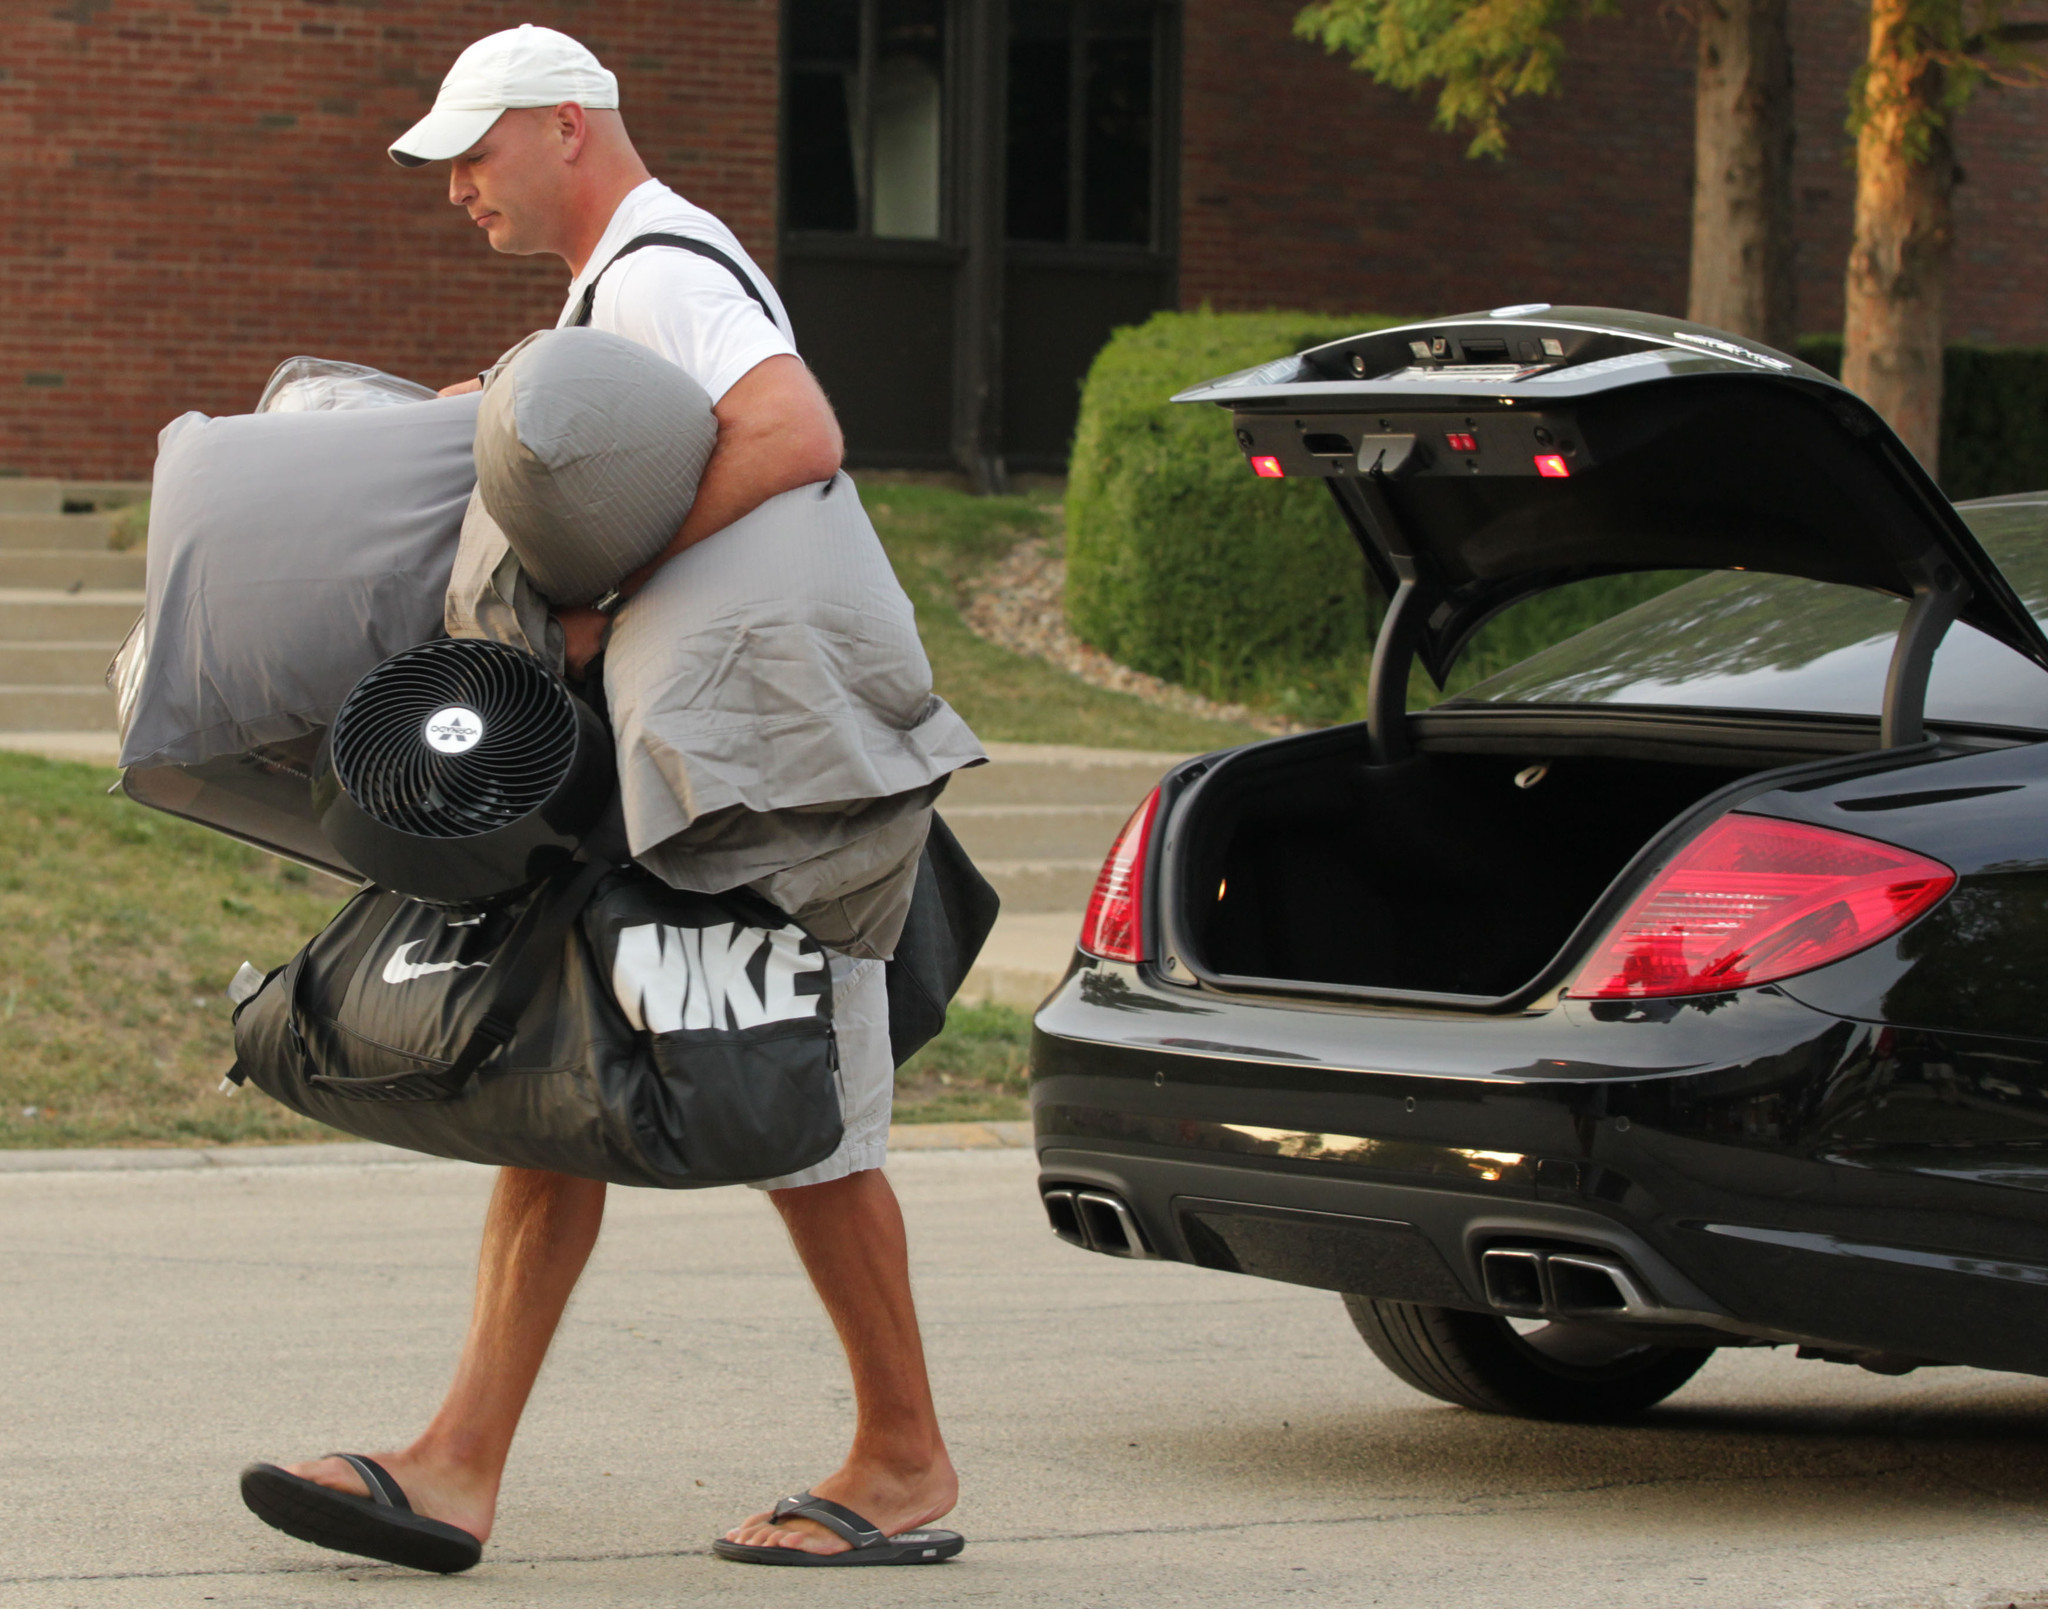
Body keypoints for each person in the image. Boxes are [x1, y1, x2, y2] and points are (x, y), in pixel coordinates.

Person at [244, 24, 966, 1570]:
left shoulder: (660, 266)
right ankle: (455, 1462)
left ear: (567, 126)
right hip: (711, 767)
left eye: (476, 153)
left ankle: (904, 1461)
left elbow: (794, 429)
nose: (457, 190)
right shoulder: (615, 288)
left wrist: (595, 595)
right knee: (562, 1097)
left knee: (812, 1126)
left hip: (787, 784)